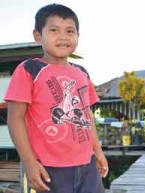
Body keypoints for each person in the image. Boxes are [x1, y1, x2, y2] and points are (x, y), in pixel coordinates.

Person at [4, 3, 108, 193]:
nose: (63, 36)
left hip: (87, 165)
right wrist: (28, 161)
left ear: (78, 36)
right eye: (54, 30)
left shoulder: (82, 73)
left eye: (70, 31)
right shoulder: (29, 69)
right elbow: (15, 118)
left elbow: (87, 117)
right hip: (48, 167)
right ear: (38, 36)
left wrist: (98, 150)